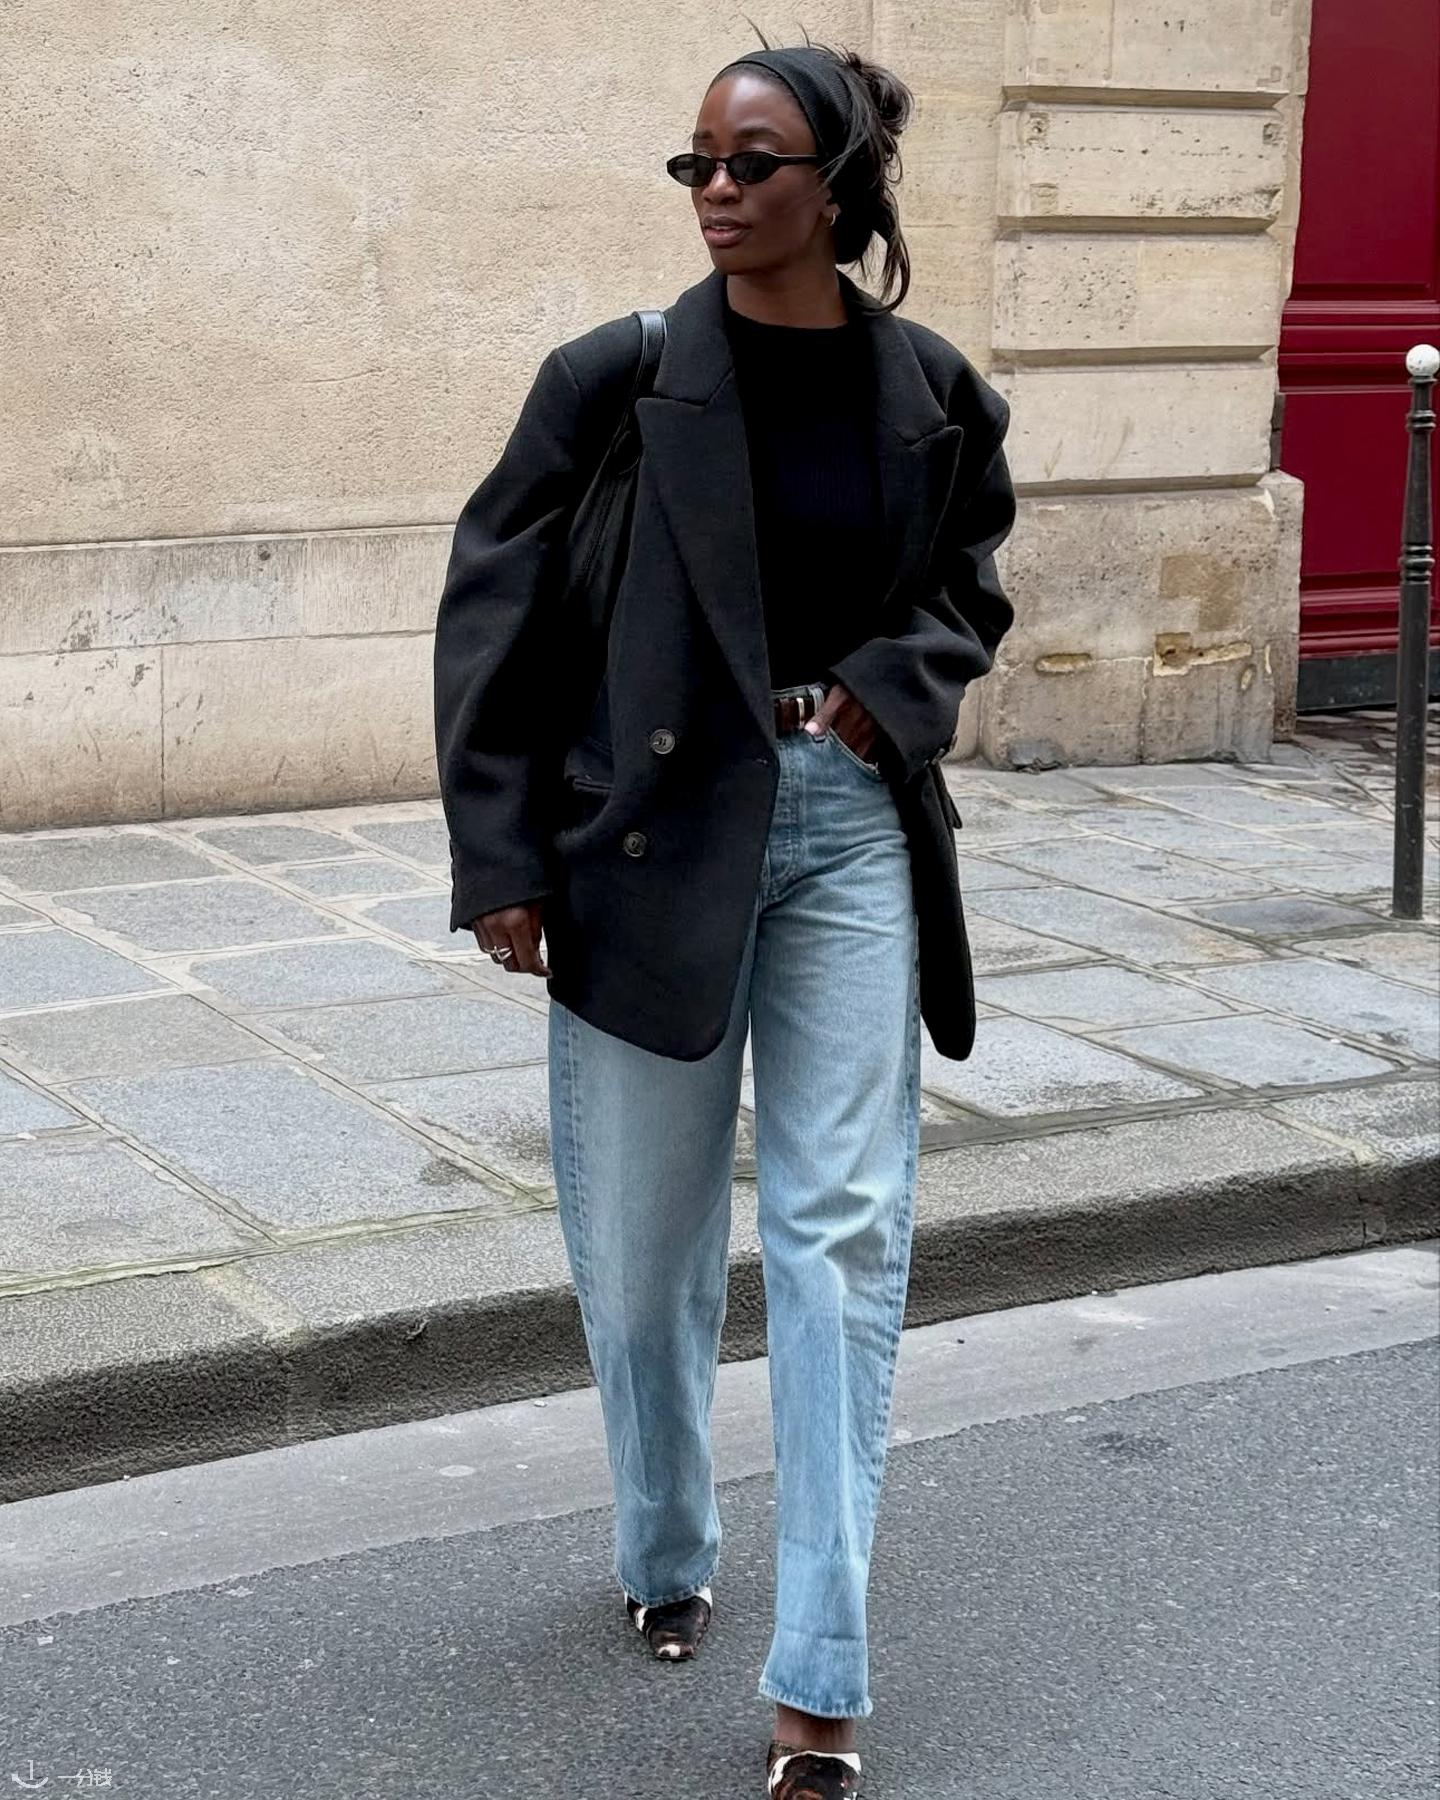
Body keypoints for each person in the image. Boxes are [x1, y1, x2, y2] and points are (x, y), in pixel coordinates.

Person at [434, 33, 1015, 1799]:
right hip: (643, 842)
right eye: (694, 164)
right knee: (640, 1253)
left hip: (844, 835)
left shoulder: (930, 390)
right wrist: (506, 860)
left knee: (842, 1238)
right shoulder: (611, 380)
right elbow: (492, 606)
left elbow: (964, 588)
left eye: (751, 164)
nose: (716, 194)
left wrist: (877, 695)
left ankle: (820, 1682)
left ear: (833, 185)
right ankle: (666, 1543)